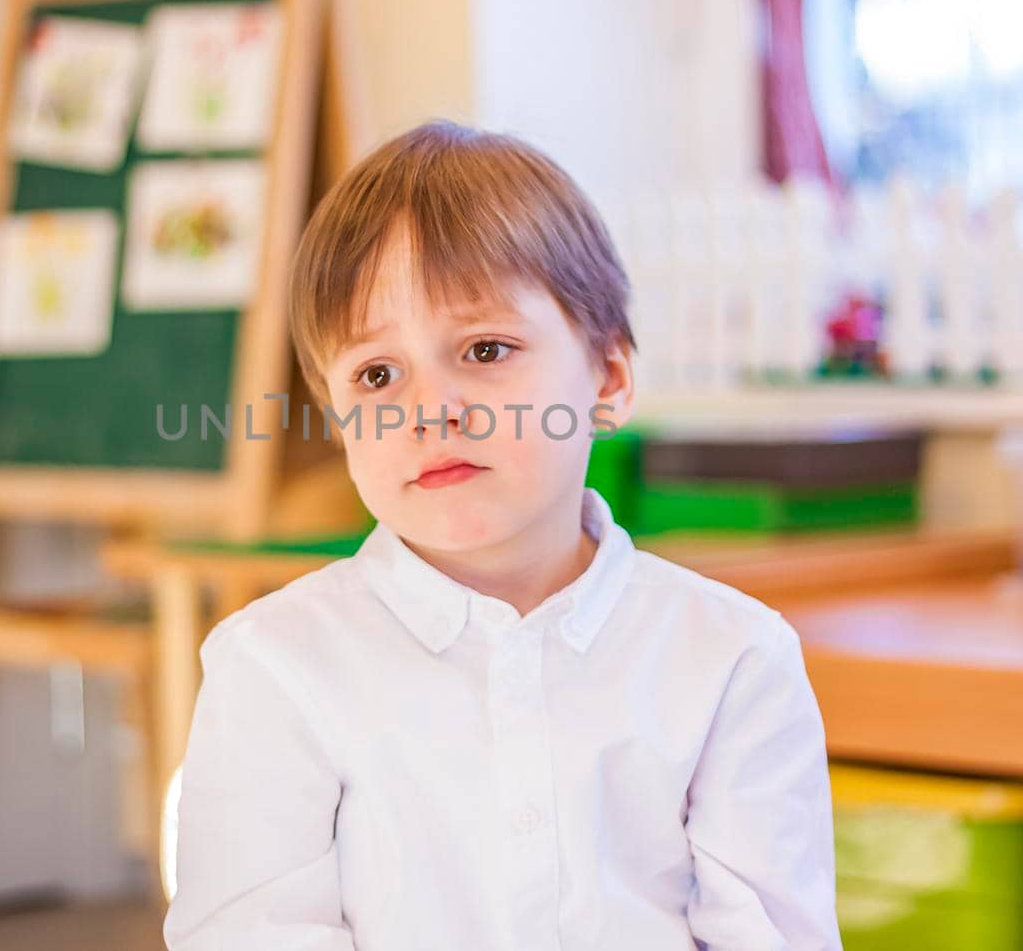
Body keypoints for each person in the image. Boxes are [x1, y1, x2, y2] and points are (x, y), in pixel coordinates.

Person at [162, 120, 841, 950]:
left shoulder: (734, 659)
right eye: (377, 374)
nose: (430, 408)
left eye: (485, 349)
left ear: (610, 378)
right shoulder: (273, 668)